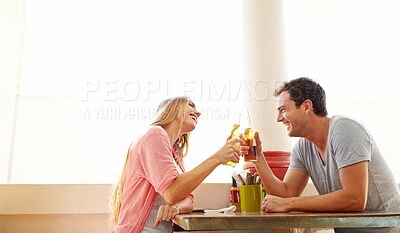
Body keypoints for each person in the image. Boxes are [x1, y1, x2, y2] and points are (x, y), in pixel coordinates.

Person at [253, 77, 400, 233]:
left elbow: (355, 199)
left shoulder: (345, 130)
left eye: (283, 109)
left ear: (306, 106)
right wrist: (258, 157)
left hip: (387, 229)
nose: (278, 118)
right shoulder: (302, 148)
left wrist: (289, 204)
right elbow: (284, 194)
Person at [110, 96, 245, 233]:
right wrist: (217, 158)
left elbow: (188, 200)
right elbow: (172, 192)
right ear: (172, 109)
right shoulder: (154, 134)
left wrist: (176, 208)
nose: (198, 113)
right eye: (190, 105)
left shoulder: (175, 152)